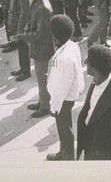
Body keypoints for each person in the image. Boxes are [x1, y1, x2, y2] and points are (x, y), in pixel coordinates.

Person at [45, 15, 85, 161]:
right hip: (67, 97)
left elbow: (61, 87)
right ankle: (63, 152)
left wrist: (54, 106)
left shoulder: (64, 58)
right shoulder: (71, 45)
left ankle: (67, 158)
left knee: (64, 129)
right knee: (64, 127)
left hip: (63, 99)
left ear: (55, 36)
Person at [20, 0, 55, 118]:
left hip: (43, 49)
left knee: (42, 79)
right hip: (39, 47)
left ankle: (45, 107)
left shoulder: (43, 7)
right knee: (40, 78)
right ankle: (42, 102)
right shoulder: (38, 1)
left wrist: (24, 36)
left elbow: (40, 33)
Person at [3, 0, 31, 82]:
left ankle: (26, 71)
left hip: (21, 25)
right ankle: (22, 68)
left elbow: (25, 11)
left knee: (23, 48)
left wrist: (19, 29)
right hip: (16, 23)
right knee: (20, 48)